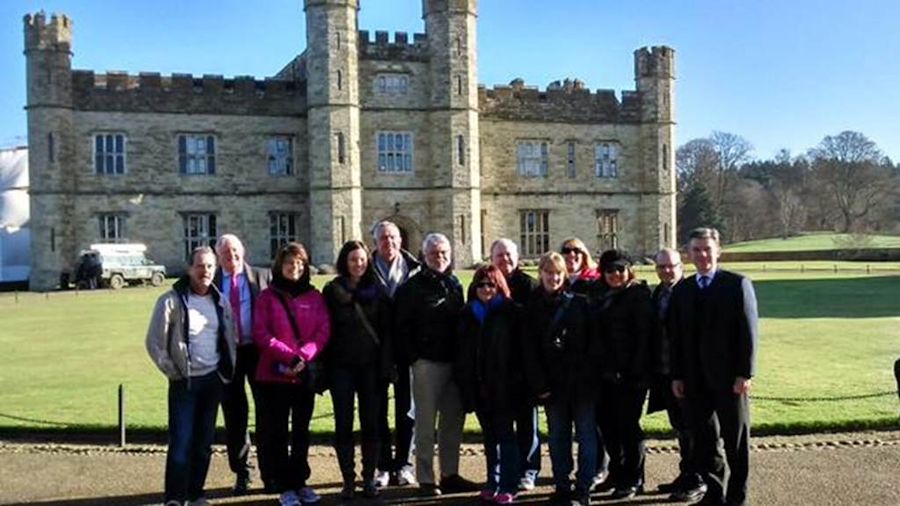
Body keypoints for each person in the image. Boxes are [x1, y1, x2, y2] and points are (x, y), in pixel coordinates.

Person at [670, 228, 759, 506]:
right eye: (696, 249)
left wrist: (745, 373)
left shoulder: (737, 284)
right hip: (695, 381)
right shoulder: (683, 289)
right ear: (689, 253)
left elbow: (748, 331)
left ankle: (737, 497)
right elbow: (676, 338)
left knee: (736, 442)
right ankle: (714, 493)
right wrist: (677, 375)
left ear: (718, 251)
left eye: (707, 249)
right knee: (706, 443)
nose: (702, 255)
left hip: (729, 378)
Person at [145, 246, 237, 506]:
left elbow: (228, 338)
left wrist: (224, 372)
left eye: (209, 266)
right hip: (184, 382)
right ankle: (175, 497)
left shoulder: (220, 300)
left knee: (204, 443)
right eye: (200, 266)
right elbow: (154, 342)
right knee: (181, 442)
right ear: (189, 269)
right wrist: (173, 372)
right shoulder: (170, 300)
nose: (205, 271)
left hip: (212, 380)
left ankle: (196, 492)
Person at [395, 232, 476, 496]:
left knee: (453, 421)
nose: (439, 258)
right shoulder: (411, 288)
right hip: (426, 364)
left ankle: (449, 473)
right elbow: (402, 328)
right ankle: (426, 478)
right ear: (424, 256)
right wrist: (414, 358)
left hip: (454, 363)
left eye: (443, 253)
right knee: (426, 423)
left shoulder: (454, 283)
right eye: (434, 253)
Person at [253, 242, 330, 506]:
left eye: (299, 263)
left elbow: (323, 331)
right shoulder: (267, 297)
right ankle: (284, 484)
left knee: (301, 431)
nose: (294, 267)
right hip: (274, 375)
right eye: (289, 263)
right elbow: (261, 334)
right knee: (277, 432)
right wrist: (290, 355)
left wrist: (305, 355)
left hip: (303, 374)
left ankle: (300, 481)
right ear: (279, 266)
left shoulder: (315, 297)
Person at [523, 252, 598, 506]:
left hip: (581, 382)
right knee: (558, 437)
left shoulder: (580, 303)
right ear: (541, 273)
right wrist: (539, 384)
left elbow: (592, 344)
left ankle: (584, 486)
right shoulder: (531, 308)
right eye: (548, 272)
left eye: (558, 273)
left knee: (586, 435)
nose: (553, 277)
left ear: (564, 275)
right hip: (551, 384)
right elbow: (529, 351)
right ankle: (562, 485)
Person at [322, 240, 392, 500]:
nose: (358, 264)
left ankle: (369, 478)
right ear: (344, 261)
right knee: (343, 423)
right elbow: (325, 330)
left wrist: (386, 366)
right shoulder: (332, 291)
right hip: (342, 366)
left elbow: (386, 332)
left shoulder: (378, 291)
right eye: (353, 259)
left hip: (371, 368)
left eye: (362, 259)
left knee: (371, 423)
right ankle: (348, 480)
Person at [456, 265, 524, 504]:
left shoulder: (511, 313)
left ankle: (508, 484)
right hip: (479, 386)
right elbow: (463, 355)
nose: (486, 289)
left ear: (499, 286)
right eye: (481, 284)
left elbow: (519, 354)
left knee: (506, 436)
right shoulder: (467, 314)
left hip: (504, 386)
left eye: (491, 284)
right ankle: (492, 482)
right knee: (490, 437)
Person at [646, 248, 706, 502]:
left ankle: (698, 480)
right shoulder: (659, 291)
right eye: (661, 267)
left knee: (693, 428)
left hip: (686, 374)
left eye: (671, 266)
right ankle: (686, 474)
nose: (666, 271)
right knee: (680, 427)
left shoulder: (691, 292)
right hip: (665, 372)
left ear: (682, 265)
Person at [592, 249, 653, 500]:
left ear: (629, 270)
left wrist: (634, 372)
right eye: (610, 270)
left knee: (628, 428)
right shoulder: (598, 295)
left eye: (620, 269)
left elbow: (644, 339)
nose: (616, 274)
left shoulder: (638, 296)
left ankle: (634, 478)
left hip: (631, 376)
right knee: (608, 427)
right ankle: (616, 474)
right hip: (603, 374)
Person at [213, 234, 272, 494]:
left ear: (243, 251)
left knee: (267, 414)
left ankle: (270, 471)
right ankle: (243, 472)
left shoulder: (263, 277)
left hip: (258, 352)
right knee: (235, 417)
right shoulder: (211, 282)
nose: (232, 257)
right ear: (218, 256)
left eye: (235, 252)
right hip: (228, 355)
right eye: (226, 253)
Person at [370, 220, 421, 488]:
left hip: (406, 351)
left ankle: (404, 464)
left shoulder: (415, 270)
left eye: (393, 237)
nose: (388, 242)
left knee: (407, 411)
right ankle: (382, 466)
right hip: (375, 351)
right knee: (377, 410)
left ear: (401, 241)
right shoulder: (364, 271)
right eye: (383, 238)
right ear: (375, 242)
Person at [489, 238, 542, 491]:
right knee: (500, 424)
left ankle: (529, 470)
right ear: (492, 258)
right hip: (497, 368)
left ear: (518, 257)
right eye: (499, 256)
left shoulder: (530, 286)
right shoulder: (486, 284)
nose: (504, 260)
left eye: (508, 255)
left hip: (523, 365)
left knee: (527, 422)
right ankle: (503, 471)